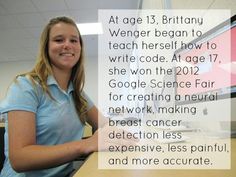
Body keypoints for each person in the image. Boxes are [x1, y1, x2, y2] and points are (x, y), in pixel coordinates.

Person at [0, 16, 100, 177]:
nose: (67, 45)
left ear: (80, 48)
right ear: (46, 47)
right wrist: (85, 144)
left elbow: (104, 124)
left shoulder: (77, 94)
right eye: (59, 40)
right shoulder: (25, 87)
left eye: (74, 40)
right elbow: (20, 159)